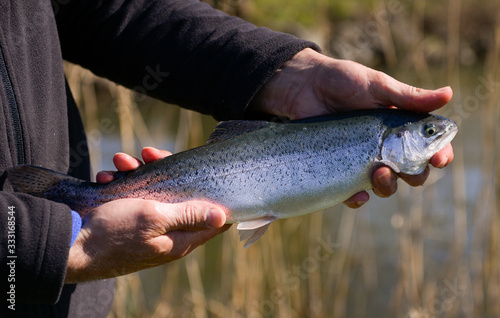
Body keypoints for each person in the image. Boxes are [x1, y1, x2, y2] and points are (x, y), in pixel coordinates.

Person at [0, 0, 453, 317]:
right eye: (429, 132)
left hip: (68, 303)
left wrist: (287, 73)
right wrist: (56, 247)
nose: (440, 135)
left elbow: (106, 8)